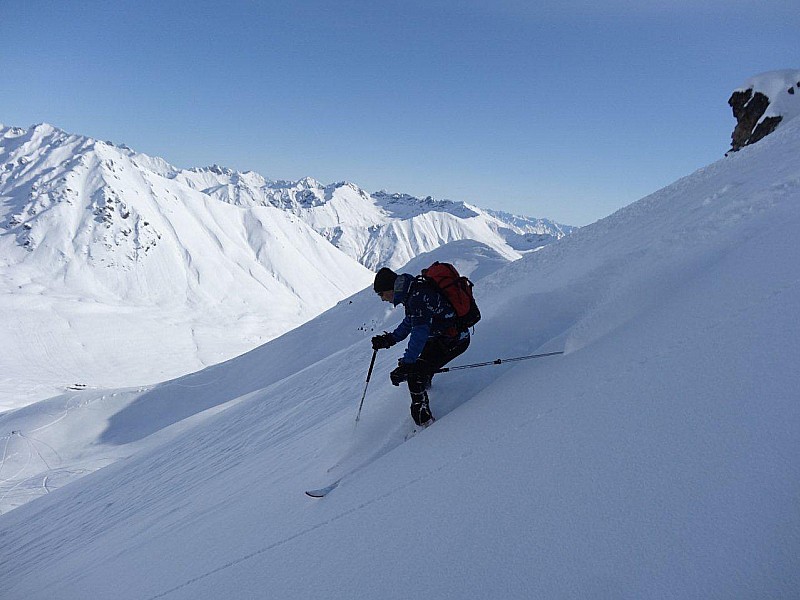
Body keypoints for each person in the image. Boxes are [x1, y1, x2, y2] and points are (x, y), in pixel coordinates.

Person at [371, 266, 470, 428]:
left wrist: (408, 363)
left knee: (415, 373)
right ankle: (428, 394)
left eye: (381, 294)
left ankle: (426, 425)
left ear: (390, 288)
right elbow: (411, 321)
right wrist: (390, 339)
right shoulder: (413, 291)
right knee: (419, 370)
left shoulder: (416, 297)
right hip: (443, 337)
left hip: (454, 339)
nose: (382, 299)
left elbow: (419, 333)